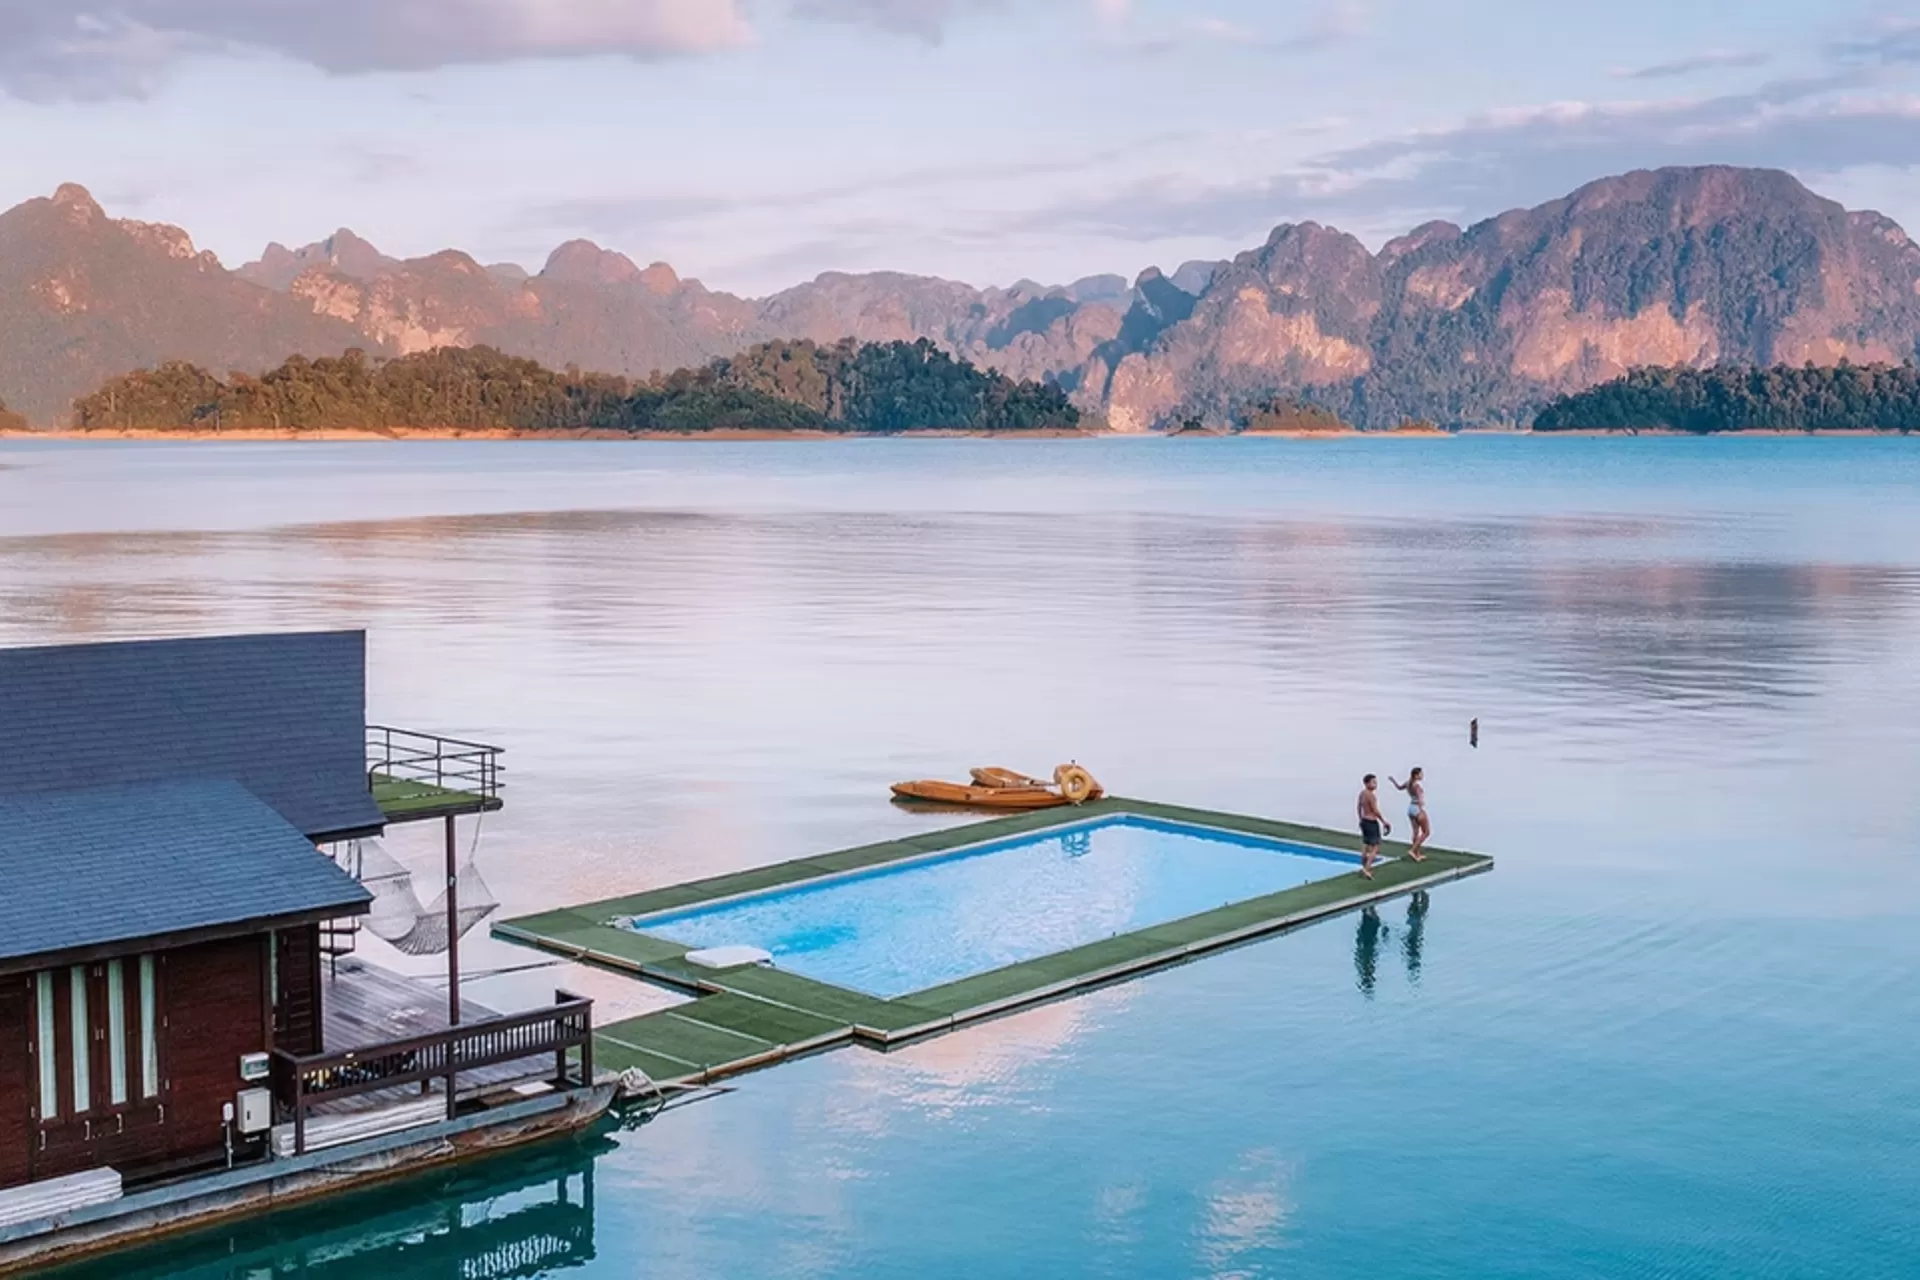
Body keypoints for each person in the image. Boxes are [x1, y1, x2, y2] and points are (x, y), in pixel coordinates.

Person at [1389, 767, 1430, 861]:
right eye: (1421, 774)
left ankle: (1417, 854)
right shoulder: (1417, 786)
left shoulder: (1408, 783)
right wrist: (1421, 806)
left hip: (1411, 808)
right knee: (1426, 832)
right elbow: (1420, 799)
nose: (1422, 775)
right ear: (1416, 775)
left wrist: (1393, 781)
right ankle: (1413, 850)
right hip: (1417, 808)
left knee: (1415, 832)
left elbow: (1399, 787)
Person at [1356, 774, 1390, 878]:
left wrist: (1360, 818)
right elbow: (1375, 810)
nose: (1375, 784)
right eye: (1373, 782)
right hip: (1371, 821)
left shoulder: (1362, 794)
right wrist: (1384, 821)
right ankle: (1366, 868)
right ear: (1367, 783)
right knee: (1375, 847)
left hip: (1364, 820)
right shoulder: (1371, 795)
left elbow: (1358, 806)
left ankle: (1364, 866)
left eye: (1376, 782)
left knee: (1366, 844)